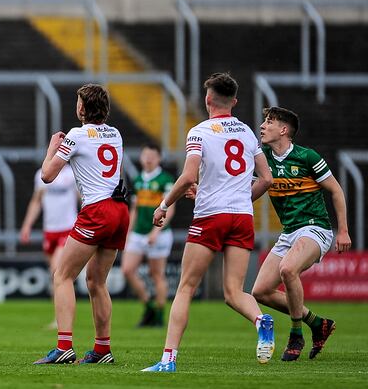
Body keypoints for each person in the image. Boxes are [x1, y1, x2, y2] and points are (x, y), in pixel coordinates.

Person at [142, 72, 274, 373]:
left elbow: (188, 176)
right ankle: (259, 320)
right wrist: (239, 199)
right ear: (235, 101)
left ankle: (168, 360)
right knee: (234, 291)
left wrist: (163, 205)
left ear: (207, 99)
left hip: (211, 216)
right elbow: (266, 178)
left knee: (186, 287)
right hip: (241, 216)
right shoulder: (247, 133)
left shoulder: (199, 132)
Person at [32, 84, 129, 365]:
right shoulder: (116, 133)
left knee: (62, 275)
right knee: (97, 281)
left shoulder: (76, 134)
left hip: (97, 209)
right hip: (119, 209)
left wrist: (52, 148)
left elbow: (47, 176)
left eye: (78, 102)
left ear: (82, 108)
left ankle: (64, 347)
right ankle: (102, 350)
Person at [251, 106, 351, 361]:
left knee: (287, 269)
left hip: (315, 227)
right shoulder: (263, 158)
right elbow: (250, 188)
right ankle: (317, 324)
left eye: (269, 122)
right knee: (260, 291)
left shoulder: (307, 157)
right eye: (264, 121)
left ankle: (296, 334)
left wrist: (343, 231)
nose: (263, 126)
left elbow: (336, 191)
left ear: (283, 130)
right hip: (289, 232)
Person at [121, 143, 176, 328]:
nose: (148, 158)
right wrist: (127, 231)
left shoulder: (165, 179)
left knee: (156, 274)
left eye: (152, 155)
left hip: (158, 234)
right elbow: (134, 209)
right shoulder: (138, 180)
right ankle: (149, 306)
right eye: (145, 155)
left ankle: (159, 315)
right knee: (127, 270)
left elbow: (171, 208)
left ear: (159, 158)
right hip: (138, 233)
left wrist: (156, 231)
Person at [19, 164, 79, 328]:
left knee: (57, 272)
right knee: (57, 276)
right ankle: (60, 315)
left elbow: (82, 198)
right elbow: (36, 201)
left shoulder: (72, 174)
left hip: (67, 229)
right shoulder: (42, 174)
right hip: (49, 230)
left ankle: (62, 321)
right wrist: (27, 225)